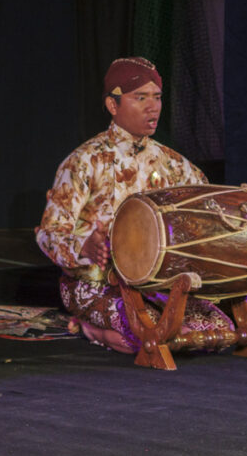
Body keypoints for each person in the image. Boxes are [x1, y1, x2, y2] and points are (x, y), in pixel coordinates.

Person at [36, 57, 234, 353]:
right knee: (142, 337)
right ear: (113, 105)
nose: (152, 106)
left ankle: (111, 330)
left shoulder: (176, 164)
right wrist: (84, 246)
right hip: (94, 285)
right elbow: (47, 232)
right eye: (140, 98)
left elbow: (211, 211)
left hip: (159, 285)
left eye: (156, 97)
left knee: (220, 333)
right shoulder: (83, 161)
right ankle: (91, 329)